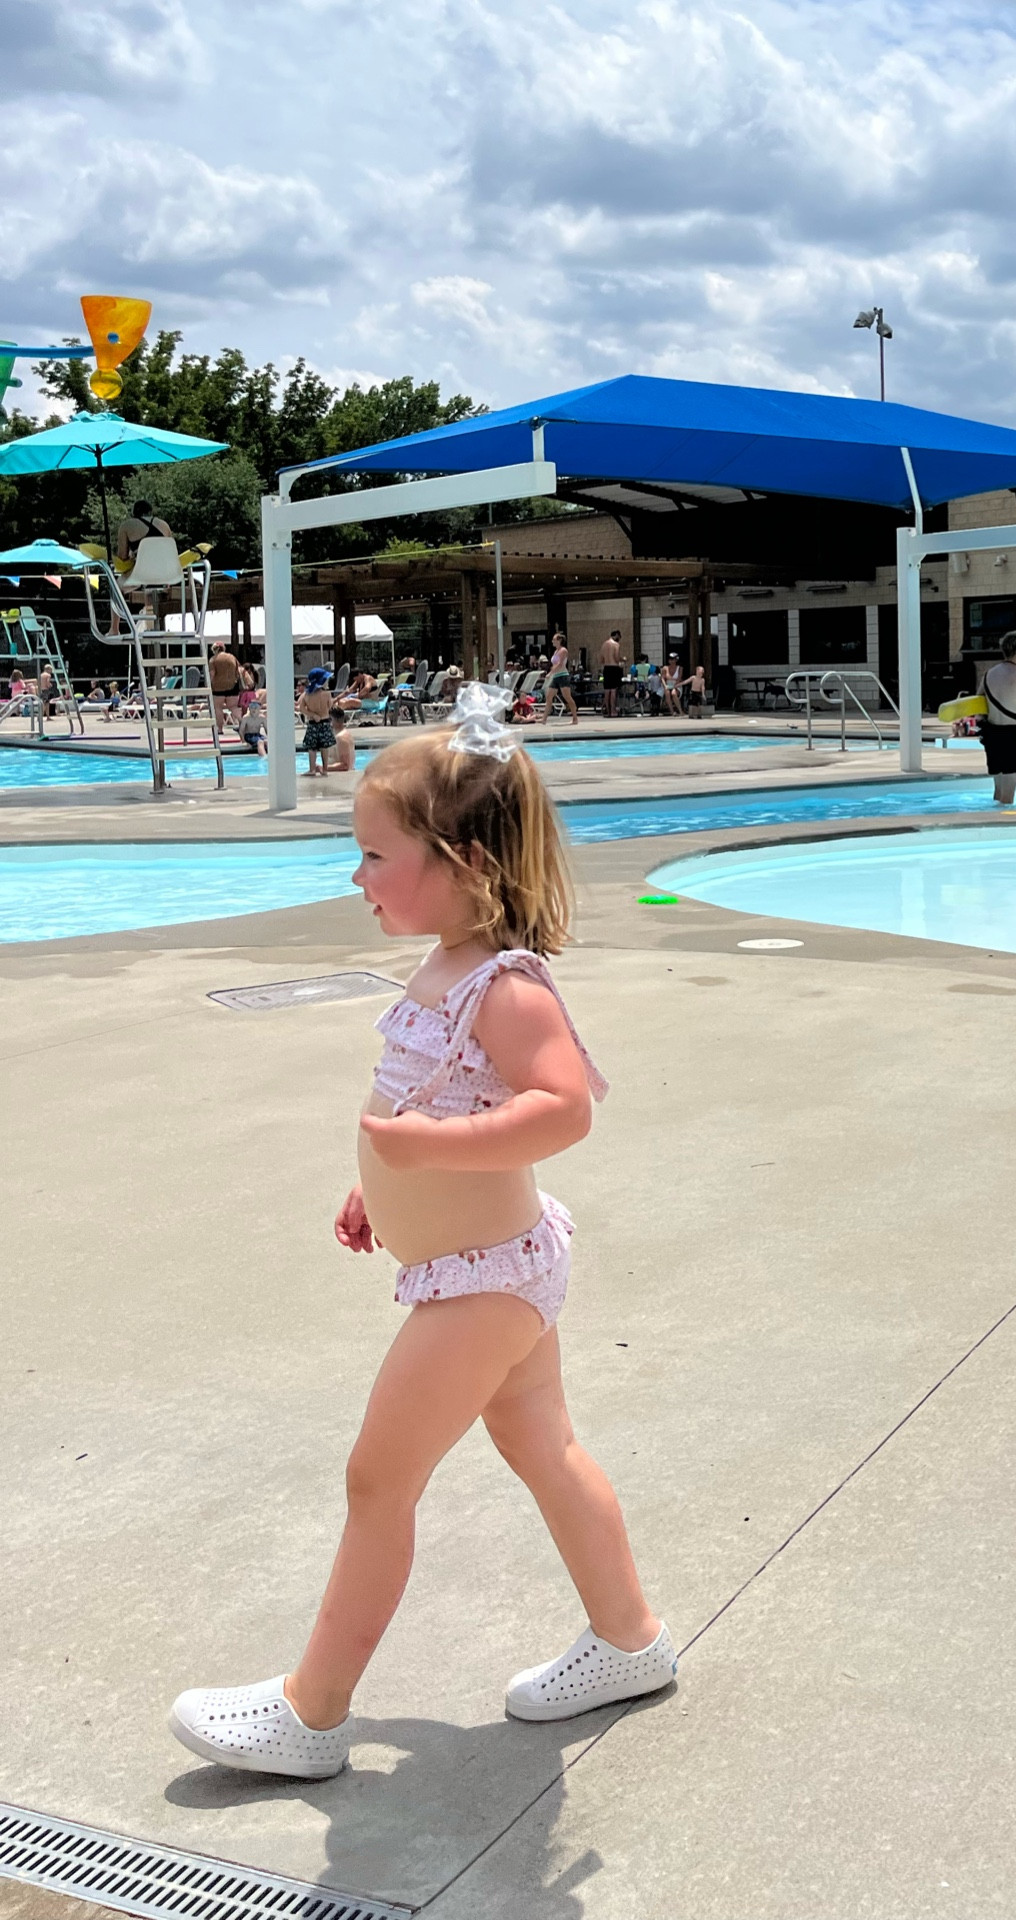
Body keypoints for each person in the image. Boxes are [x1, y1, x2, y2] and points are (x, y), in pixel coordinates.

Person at [167, 688, 675, 1780]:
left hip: (483, 1284)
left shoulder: (506, 985)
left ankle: (311, 1713)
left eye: (374, 855)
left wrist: (421, 1162)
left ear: (468, 862)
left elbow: (564, 1106)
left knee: (375, 1480)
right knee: (545, 1447)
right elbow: (430, 1102)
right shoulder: (443, 967)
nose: (357, 877)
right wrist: (379, 1193)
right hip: (488, 1263)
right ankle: (630, 1639)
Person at [978, 630, 1016, 806]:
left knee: (998, 792)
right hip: (1012, 736)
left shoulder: (988, 674)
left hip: (992, 734)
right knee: (1008, 797)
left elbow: (979, 706)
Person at [299, 667, 336, 777]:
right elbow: (330, 706)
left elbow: (302, 709)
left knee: (312, 748)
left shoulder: (307, 695)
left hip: (312, 723)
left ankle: (312, 769)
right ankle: (325, 769)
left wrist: (313, 715)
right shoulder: (327, 694)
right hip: (325, 722)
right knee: (324, 747)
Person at [115, 499, 174, 567]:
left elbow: (122, 557)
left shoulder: (126, 525)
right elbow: (171, 552)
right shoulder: (164, 525)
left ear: (134, 513)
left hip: (141, 571)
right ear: (150, 511)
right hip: (165, 569)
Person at [541, 633, 578, 725]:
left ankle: (575, 718)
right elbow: (554, 664)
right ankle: (544, 719)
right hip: (556, 676)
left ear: (559, 640)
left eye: (554, 639)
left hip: (563, 676)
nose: (552, 641)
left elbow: (560, 664)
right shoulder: (556, 651)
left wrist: (550, 673)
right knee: (549, 697)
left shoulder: (563, 650)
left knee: (567, 697)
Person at [208, 642, 242, 736]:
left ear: (214, 649)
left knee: (218, 708)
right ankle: (242, 722)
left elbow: (212, 674)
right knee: (233, 707)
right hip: (232, 686)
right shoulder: (232, 657)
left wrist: (208, 685)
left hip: (218, 687)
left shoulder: (213, 660)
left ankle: (219, 729)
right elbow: (239, 670)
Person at [599, 630, 624, 719]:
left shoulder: (604, 644)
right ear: (616, 635)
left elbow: (601, 659)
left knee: (607, 690)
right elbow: (616, 658)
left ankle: (608, 711)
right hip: (614, 668)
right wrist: (623, 659)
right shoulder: (616, 645)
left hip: (606, 668)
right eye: (619, 637)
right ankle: (613, 710)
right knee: (613, 690)